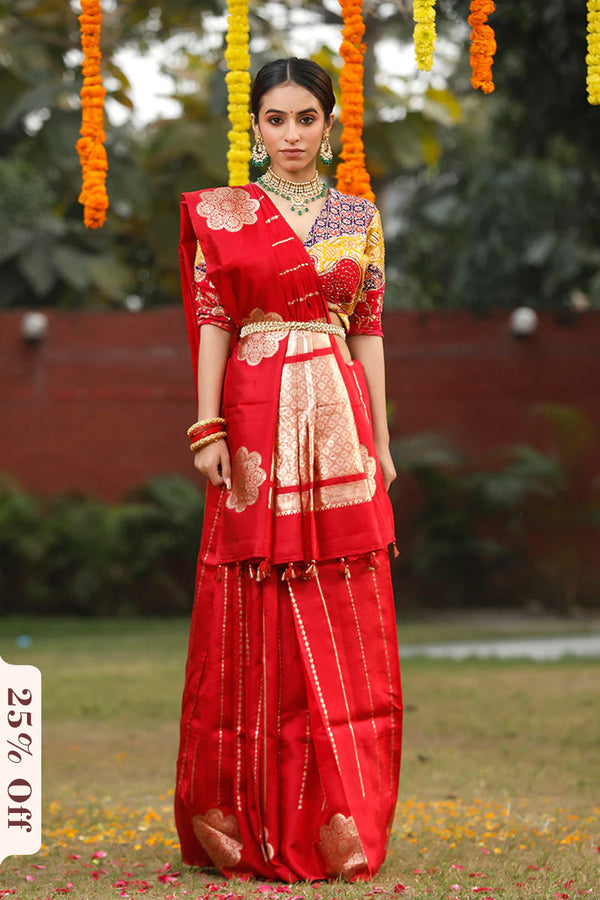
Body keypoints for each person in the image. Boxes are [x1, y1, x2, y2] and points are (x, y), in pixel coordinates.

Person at [175, 57, 403, 883]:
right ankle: (243, 814)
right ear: (255, 128)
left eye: (307, 118)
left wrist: (380, 441)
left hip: (338, 412)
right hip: (256, 414)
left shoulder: (358, 216)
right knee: (251, 594)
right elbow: (211, 321)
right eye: (277, 120)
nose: (293, 135)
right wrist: (207, 425)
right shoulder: (226, 213)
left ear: (330, 122)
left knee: (338, 594)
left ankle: (338, 811)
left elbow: (369, 329)